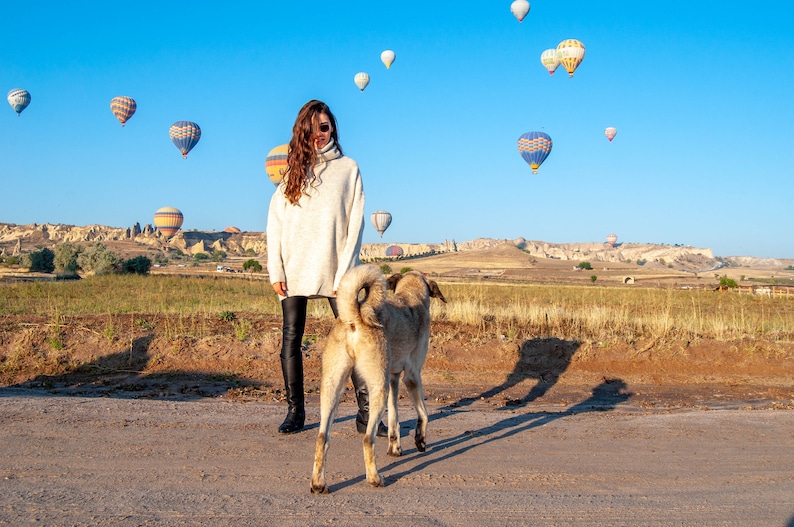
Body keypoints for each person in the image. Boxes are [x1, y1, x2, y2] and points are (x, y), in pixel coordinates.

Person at [266, 99, 387, 436]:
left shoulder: (348, 169)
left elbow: (356, 224)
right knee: (291, 339)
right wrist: (275, 270)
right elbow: (275, 225)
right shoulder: (292, 172)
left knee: (358, 337)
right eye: (313, 128)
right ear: (303, 131)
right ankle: (296, 412)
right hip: (294, 268)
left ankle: (368, 415)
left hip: (337, 271)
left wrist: (344, 273)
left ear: (333, 127)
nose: (319, 134)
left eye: (325, 126)